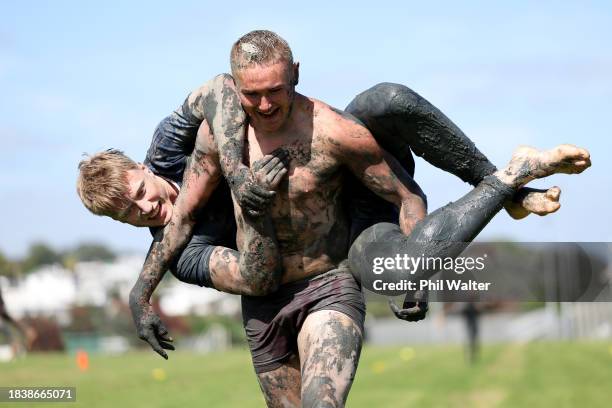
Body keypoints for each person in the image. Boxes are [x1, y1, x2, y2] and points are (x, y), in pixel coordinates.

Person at [126, 30, 589, 407]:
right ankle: (508, 185)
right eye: (252, 95)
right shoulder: (218, 137)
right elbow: (181, 219)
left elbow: (407, 195)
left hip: (331, 279)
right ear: (235, 87)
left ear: (296, 76)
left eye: (275, 92)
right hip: (264, 306)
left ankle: (509, 177)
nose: (265, 106)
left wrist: (417, 276)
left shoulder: (335, 133)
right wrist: (141, 294)